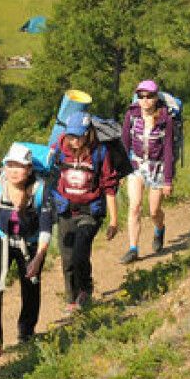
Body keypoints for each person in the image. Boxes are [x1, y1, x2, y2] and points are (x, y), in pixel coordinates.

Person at [0, 143, 54, 357]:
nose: (13, 170)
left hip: (31, 242)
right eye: (9, 165)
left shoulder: (40, 190)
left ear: (29, 169)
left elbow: (46, 227)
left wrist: (38, 258)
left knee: (31, 286)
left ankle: (26, 331)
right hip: (0, 238)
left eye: (19, 166)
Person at [50, 112, 120, 314]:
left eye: (78, 136)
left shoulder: (100, 152)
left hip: (90, 211)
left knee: (80, 251)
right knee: (67, 258)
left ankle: (86, 291)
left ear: (88, 133)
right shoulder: (60, 147)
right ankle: (72, 299)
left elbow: (109, 185)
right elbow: (47, 170)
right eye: (71, 136)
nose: (74, 141)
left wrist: (114, 220)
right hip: (66, 209)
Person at [119, 79, 176, 264]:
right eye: (141, 96)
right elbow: (124, 142)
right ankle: (133, 248)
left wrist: (168, 180)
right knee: (134, 207)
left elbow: (168, 150)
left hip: (157, 167)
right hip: (136, 166)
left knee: (154, 211)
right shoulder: (131, 114)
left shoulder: (165, 119)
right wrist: (120, 171)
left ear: (156, 97)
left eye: (149, 96)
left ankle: (159, 229)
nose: (144, 100)